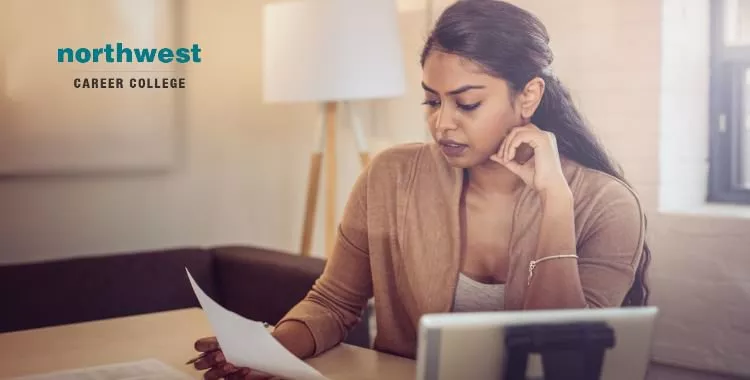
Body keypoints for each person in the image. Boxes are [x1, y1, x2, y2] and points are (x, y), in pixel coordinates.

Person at [191, 0, 651, 378]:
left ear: (527, 96)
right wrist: (270, 352)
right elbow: (333, 302)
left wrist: (554, 202)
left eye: (467, 103)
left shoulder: (605, 205)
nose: (441, 123)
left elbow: (564, 361)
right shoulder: (390, 177)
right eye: (431, 100)